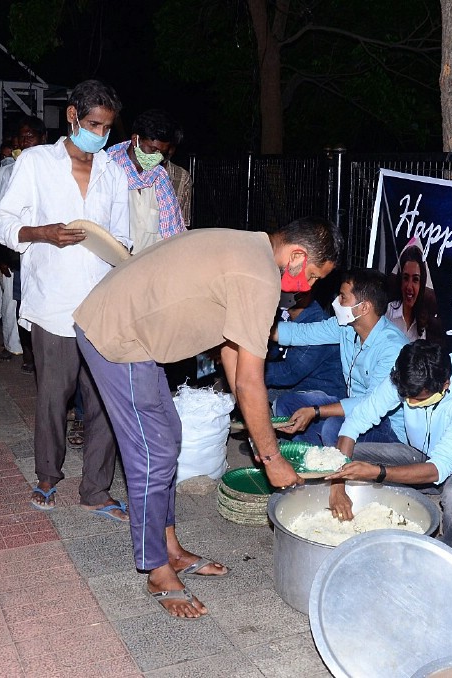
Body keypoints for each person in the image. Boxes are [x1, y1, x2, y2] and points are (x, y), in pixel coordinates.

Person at [73, 216, 342, 619]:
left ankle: (171, 550)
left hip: (131, 331)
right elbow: (251, 382)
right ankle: (156, 570)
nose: (310, 287)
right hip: (118, 335)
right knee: (154, 454)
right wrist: (271, 458)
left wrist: (260, 428)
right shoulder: (259, 277)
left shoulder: (252, 248)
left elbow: (234, 352)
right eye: (315, 277)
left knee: (168, 439)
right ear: (298, 257)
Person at [0, 79, 129, 518]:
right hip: (53, 304)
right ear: (72, 116)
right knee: (54, 396)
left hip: (102, 305)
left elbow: (121, 238)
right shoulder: (35, 162)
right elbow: (1, 221)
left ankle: (96, 489)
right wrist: (42, 233)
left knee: (106, 400)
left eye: (107, 128)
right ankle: (48, 475)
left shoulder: (114, 172)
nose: (100, 135)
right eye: (93, 124)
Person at [326, 340, 452, 556]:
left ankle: (449, 552)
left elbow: (440, 467)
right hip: (423, 456)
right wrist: (337, 483)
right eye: (405, 396)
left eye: (416, 399)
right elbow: (357, 420)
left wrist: (378, 472)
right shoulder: (406, 375)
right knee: (344, 451)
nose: (408, 402)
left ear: (445, 385)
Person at [274, 268, 408, 447]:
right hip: (353, 409)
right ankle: (312, 461)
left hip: (387, 427)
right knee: (288, 404)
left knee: (335, 427)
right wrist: (257, 329)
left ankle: (331, 465)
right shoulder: (346, 327)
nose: (336, 302)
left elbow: (370, 404)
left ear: (364, 307)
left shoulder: (393, 348)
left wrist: (316, 411)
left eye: (343, 297)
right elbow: (302, 333)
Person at [0, 116, 46, 369]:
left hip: (44, 249)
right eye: (21, 137)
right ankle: (17, 348)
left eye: (30, 136)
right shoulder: (6, 172)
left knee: (40, 304)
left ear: (43, 139)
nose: (24, 141)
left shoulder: (54, 171)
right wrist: (1, 254)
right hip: (14, 250)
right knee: (15, 303)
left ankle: (39, 354)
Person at [105, 109, 186, 254]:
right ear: (136, 139)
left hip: (150, 268)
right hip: (114, 270)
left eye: (162, 152)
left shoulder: (160, 178)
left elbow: (169, 234)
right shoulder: (107, 172)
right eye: (153, 149)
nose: (157, 156)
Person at [265, 289, 344, 403]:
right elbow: (272, 352)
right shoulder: (284, 315)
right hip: (297, 387)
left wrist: (251, 371)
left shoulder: (318, 322)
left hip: (323, 393)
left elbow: (289, 373)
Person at [387, 239, 443, 342]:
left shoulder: (422, 324)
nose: (409, 286)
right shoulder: (387, 312)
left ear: (421, 284)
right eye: (406, 278)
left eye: (415, 280)